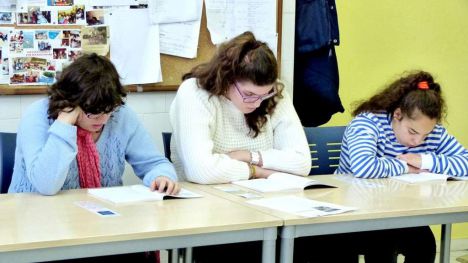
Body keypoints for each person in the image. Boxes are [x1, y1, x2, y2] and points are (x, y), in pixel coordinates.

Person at [170, 31, 357, 263]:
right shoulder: (195, 94)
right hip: (211, 214)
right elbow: (202, 170)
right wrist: (257, 171)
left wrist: (250, 156)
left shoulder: (275, 95)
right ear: (227, 78)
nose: (256, 102)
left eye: (263, 94)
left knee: (333, 245)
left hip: (271, 208)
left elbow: (301, 162)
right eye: (248, 94)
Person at [336, 70, 468, 262]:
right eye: (412, 132)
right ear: (397, 114)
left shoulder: (433, 132)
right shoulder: (367, 123)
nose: (417, 141)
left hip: (401, 213)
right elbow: (363, 167)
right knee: (383, 243)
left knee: (425, 244)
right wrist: (405, 166)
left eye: (425, 135)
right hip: (356, 214)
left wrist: (424, 161)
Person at [9, 53, 179, 196]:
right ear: (71, 102)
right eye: (94, 114)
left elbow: (154, 163)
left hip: (98, 217)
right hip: (34, 219)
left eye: (109, 110)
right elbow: (46, 185)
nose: (104, 120)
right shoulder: (38, 116)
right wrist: (65, 123)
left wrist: (162, 176)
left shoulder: (120, 114)